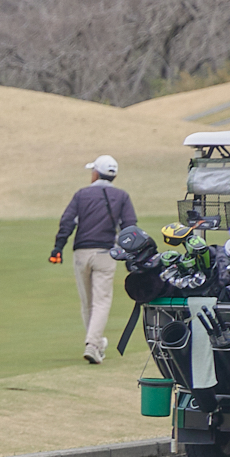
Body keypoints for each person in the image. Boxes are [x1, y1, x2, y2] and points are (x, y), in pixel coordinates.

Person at [49, 153, 136, 364]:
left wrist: (58, 247)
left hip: (82, 253)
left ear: (96, 173)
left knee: (88, 302)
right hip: (106, 253)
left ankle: (94, 343)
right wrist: (132, 253)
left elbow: (68, 221)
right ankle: (94, 343)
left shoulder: (81, 195)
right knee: (101, 301)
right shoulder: (122, 197)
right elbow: (130, 226)